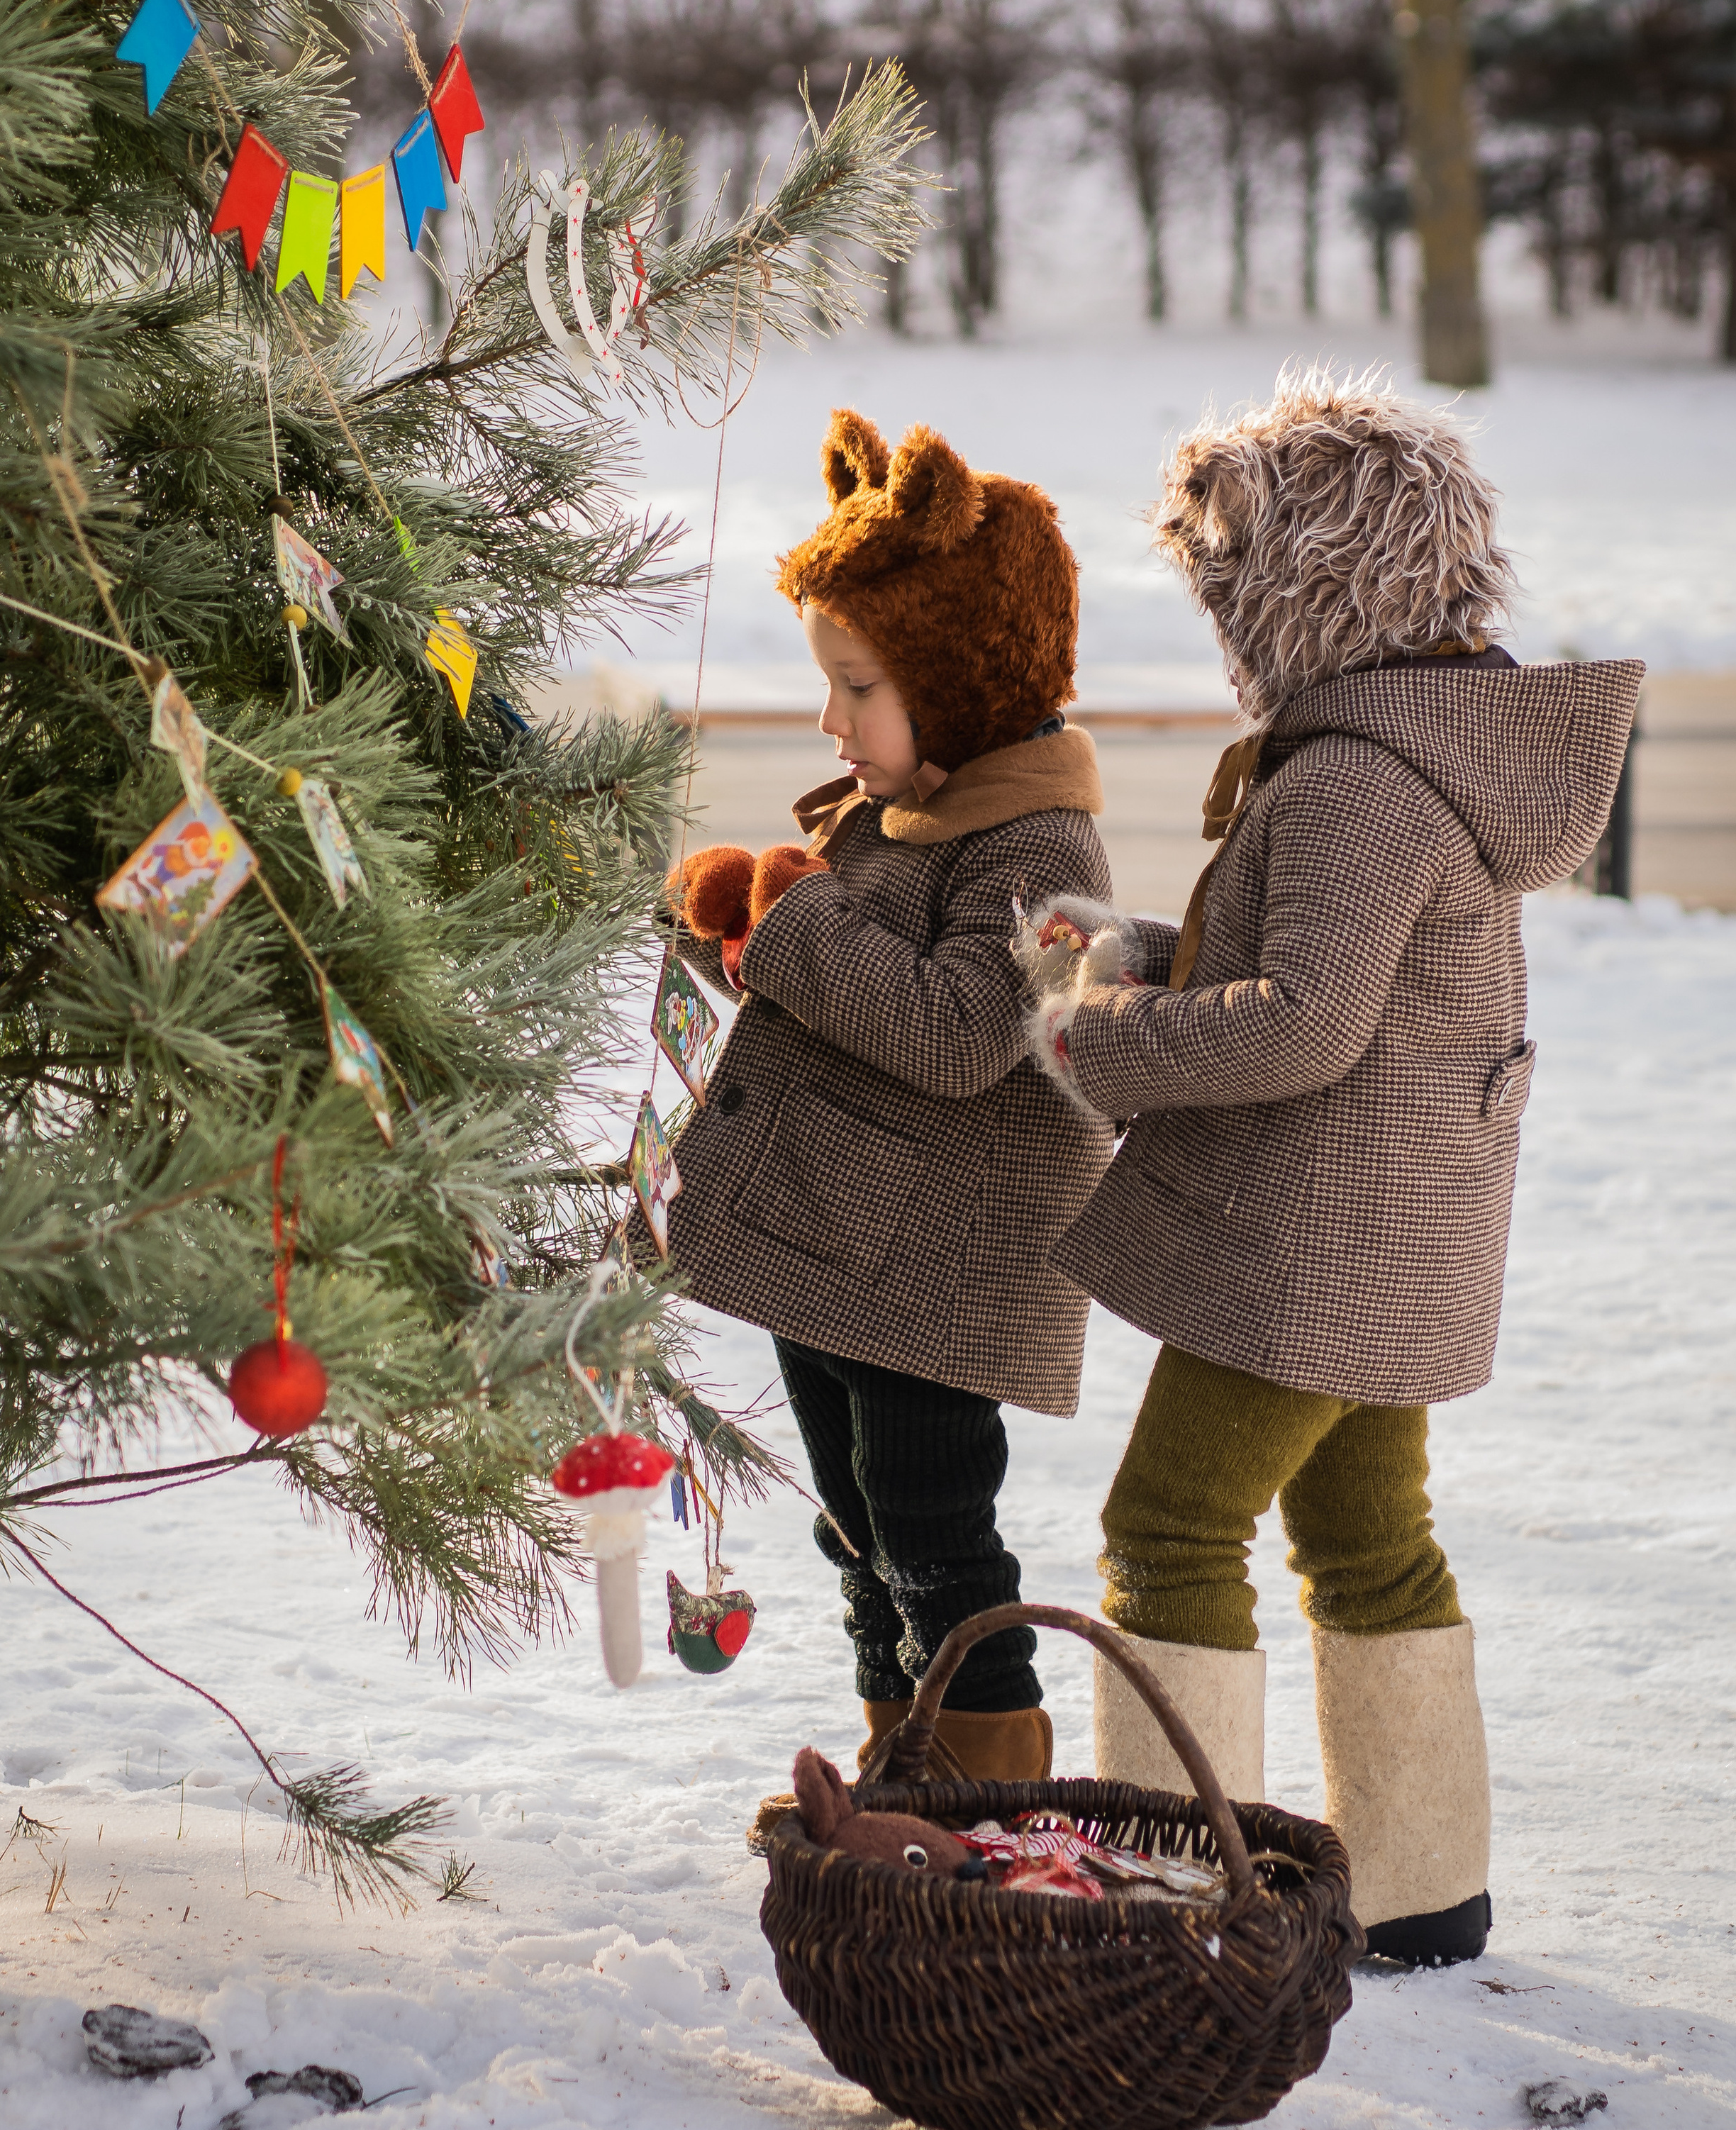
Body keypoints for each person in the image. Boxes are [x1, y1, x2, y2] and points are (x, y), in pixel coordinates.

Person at [1025, 369, 1641, 1965]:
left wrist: (1099, 1041)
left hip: (1301, 1253)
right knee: (1370, 1540)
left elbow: (1300, 1024)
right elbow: (1319, 973)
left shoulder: (1360, 779)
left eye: (1228, 586)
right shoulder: (1407, 744)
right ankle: (1426, 1892)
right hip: (1390, 1237)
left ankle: (1167, 1893)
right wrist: (1138, 955)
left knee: (1167, 1532)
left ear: (1302, 587)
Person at [656, 408, 1113, 1788]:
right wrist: (739, 918)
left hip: (931, 1280)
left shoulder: (1035, 847)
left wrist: (792, 927)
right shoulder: (909, 812)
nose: (829, 719)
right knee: (856, 1526)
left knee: (931, 1536)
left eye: (857, 688)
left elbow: (965, 1026)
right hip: (839, 1249)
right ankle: (895, 1772)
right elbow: (837, 967)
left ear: (962, 685)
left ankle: (983, 1800)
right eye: (828, 686)